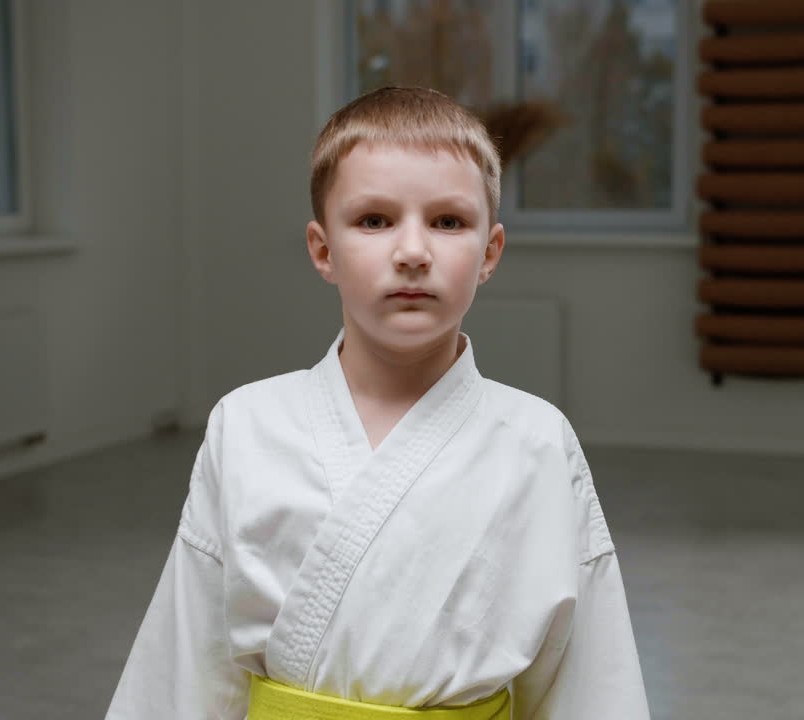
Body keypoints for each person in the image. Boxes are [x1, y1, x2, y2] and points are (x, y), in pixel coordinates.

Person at [106, 86, 650, 719]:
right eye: (374, 220)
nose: (413, 252)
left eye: (448, 221)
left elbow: (584, 678)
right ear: (322, 249)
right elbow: (188, 660)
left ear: (489, 253)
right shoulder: (247, 425)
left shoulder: (536, 440)